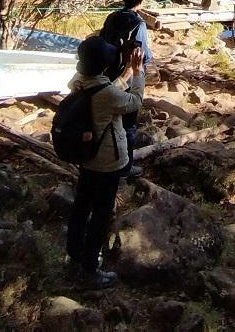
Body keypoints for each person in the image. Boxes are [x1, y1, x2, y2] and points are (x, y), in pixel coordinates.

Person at [66, 35, 144, 289]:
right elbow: (134, 102)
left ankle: (73, 255)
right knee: (100, 214)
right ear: (102, 64)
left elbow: (109, 90)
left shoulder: (78, 82)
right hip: (107, 161)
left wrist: (126, 73)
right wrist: (138, 73)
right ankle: (91, 268)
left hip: (85, 157)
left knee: (81, 206)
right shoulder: (106, 94)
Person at [99, 0, 151, 179]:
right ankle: (125, 167)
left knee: (107, 119)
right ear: (140, 0)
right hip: (128, 77)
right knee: (128, 123)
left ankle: (104, 157)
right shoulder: (138, 23)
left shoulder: (111, 17)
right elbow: (145, 55)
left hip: (107, 73)